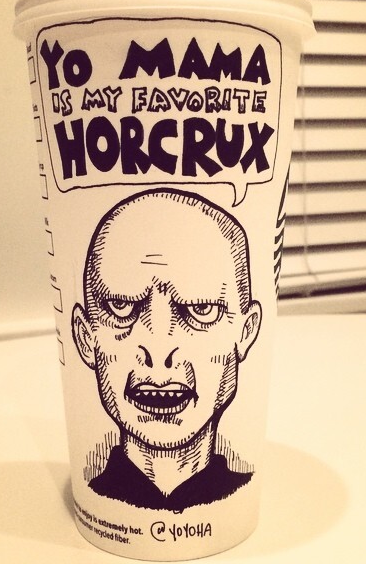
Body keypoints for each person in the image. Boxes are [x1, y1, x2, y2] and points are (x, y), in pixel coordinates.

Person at [72, 188, 262, 511]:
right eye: (122, 307)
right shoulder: (93, 494)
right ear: (86, 336)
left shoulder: (243, 497)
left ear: (245, 332)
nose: (159, 350)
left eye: (201, 309)